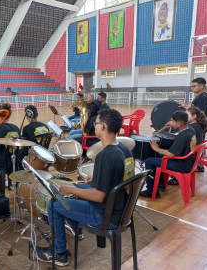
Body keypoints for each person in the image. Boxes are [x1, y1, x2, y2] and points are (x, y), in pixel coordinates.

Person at [35, 109, 135, 266]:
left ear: (103, 126)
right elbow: (120, 178)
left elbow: (98, 196)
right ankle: (73, 224)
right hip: (120, 207)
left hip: (105, 215)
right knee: (81, 184)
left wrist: (69, 189)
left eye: (95, 123)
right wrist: (97, 178)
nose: (94, 126)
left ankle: (59, 253)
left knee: (54, 204)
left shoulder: (105, 155)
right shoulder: (124, 149)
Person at [140, 111, 197, 198]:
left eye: (173, 122)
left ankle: (151, 191)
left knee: (149, 161)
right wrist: (173, 123)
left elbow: (171, 154)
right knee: (162, 156)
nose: (172, 123)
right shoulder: (191, 130)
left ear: (179, 124)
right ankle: (160, 184)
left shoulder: (182, 136)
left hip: (181, 165)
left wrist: (156, 148)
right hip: (190, 162)